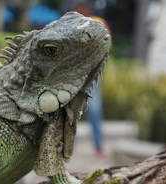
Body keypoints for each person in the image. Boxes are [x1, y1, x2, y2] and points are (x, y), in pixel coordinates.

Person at [74, 3, 111, 159]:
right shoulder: (72, 23)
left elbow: (107, 45)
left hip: (91, 77)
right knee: (72, 112)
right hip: (74, 76)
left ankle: (98, 146)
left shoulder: (98, 22)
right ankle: (69, 146)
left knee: (95, 111)